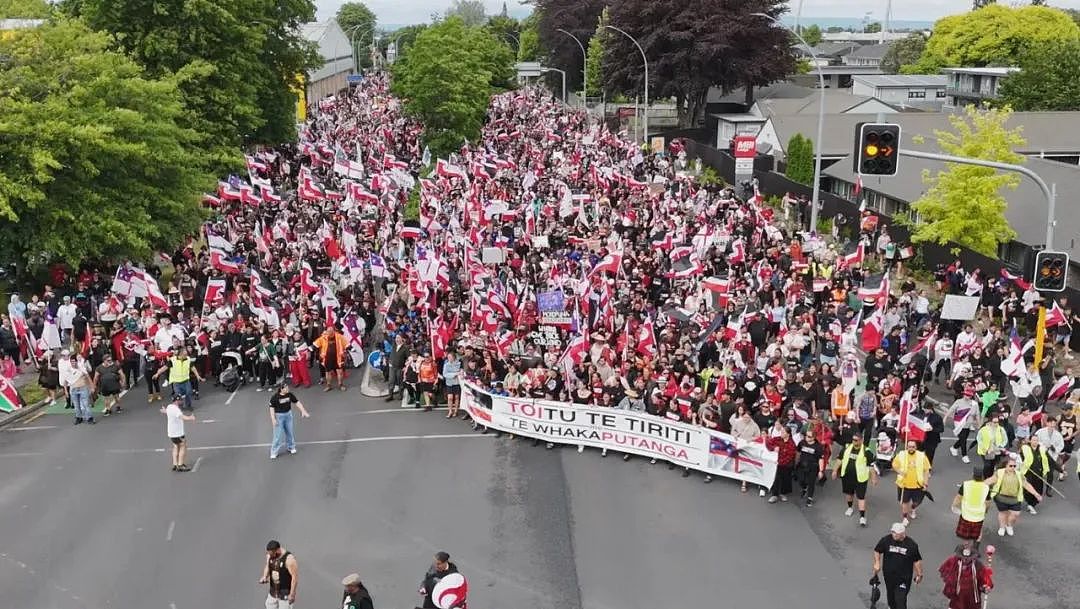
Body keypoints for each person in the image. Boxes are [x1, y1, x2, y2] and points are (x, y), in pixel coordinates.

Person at [871, 522, 923, 609]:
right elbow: (877, 550)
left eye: (896, 533)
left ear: (903, 533)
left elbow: (916, 560)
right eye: (893, 532)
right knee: (891, 598)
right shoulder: (886, 540)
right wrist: (877, 562)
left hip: (904, 578)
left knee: (900, 600)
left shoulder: (911, 545)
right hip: (889, 576)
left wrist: (919, 574)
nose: (893, 534)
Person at [986, 457, 1041, 537]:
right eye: (1010, 466)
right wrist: (979, 485)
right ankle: (1002, 527)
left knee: (1015, 514)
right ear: (1006, 465)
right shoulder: (999, 472)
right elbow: (991, 480)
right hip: (1001, 497)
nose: (1013, 468)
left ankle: (1009, 525)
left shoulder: (1019, 474)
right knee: (1003, 513)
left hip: (1015, 499)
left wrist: (1036, 494)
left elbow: (1026, 484)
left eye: (1014, 466)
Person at [834, 433, 879, 527]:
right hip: (847, 476)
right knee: (849, 494)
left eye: (856, 440)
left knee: (861, 497)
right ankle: (850, 507)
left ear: (861, 440)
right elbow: (839, 460)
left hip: (860, 478)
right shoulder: (847, 448)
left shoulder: (867, 451)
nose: (854, 442)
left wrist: (874, 478)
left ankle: (862, 517)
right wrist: (835, 471)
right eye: (853, 440)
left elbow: (871, 466)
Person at [938, 542, 992, 609]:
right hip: (958, 598)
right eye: (963, 557)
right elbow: (947, 572)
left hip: (972, 599)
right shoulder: (954, 562)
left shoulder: (978, 565)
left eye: (968, 558)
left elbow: (985, 579)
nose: (965, 559)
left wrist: (985, 587)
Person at [891, 439, 931, 526]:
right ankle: (905, 518)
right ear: (907, 446)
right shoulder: (901, 455)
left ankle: (913, 508)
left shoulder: (922, 456)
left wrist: (926, 483)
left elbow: (926, 471)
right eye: (909, 446)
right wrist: (900, 472)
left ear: (916, 447)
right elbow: (894, 465)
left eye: (913, 447)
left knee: (917, 502)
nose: (911, 448)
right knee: (904, 502)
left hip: (918, 484)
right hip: (904, 484)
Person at [1019, 434, 1061, 514]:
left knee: (1039, 490)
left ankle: (1033, 504)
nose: (1035, 442)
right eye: (1033, 440)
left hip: (1039, 473)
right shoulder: (1024, 449)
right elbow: (1019, 459)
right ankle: (1030, 504)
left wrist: (1060, 470)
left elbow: (1050, 460)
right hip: (1028, 473)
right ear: (1030, 440)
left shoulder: (1042, 449)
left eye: (1037, 440)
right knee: (1028, 489)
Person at [269, 382, 311, 460]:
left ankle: (291, 447)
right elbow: (271, 408)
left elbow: (297, 402)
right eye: (286, 388)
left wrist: (303, 411)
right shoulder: (275, 397)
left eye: (287, 387)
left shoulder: (289, 395)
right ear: (281, 389)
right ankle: (274, 452)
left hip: (288, 415)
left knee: (289, 432)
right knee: (277, 435)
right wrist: (273, 419)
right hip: (279, 417)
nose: (288, 389)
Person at [154, 346, 203, 410]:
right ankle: (180, 406)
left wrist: (197, 375)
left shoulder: (188, 359)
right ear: (181, 354)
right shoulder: (173, 360)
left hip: (186, 380)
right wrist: (157, 373)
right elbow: (165, 367)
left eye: (186, 354)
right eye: (185, 354)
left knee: (189, 392)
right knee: (178, 395)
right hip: (176, 382)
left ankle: (188, 405)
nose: (186, 355)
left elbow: (193, 368)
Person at [950, 468, 990, 543]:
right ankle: (976, 544)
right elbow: (987, 502)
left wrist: (954, 505)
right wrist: (986, 510)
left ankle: (966, 545)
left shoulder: (966, 484)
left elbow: (959, 497)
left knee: (966, 534)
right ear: (982, 477)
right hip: (979, 516)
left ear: (973, 475)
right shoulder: (986, 487)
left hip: (966, 515)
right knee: (978, 532)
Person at [260, 540, 299, 609]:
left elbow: (294, 577)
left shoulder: (289, 559)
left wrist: (292, 594)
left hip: (285, 593)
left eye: (272, 554)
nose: (270, 555)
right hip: (273, 591)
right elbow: (268, 566)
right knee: (269, 606)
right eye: (269, 553)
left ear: (277, 550)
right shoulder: (269, 555)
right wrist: (265, 576)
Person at [162, 396, 196, 472]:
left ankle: (175, 464)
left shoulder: (169, 407)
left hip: (171, 433)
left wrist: (165, 411)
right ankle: (180, 465)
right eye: (180, 400)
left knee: (175, 446)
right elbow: (182, 417)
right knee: (183, 446)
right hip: (177, 433)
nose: (182, 401)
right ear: (177, 401)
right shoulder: (176, 410)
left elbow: (167, 411)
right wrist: (190, 418)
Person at [795, 429, 826, 506]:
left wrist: (821, 471)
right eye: (806, 435)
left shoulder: (818, 446)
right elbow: (798, 453)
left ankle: (809, 498)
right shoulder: (802, 443)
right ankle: (804, 488)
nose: (806, 437)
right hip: (802, 465)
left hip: (813, 466)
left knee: (811, 482)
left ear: (813, 437)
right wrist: (796, 462)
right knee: (801, 480)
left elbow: (821, 459)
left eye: (809, 436)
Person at [63, 351, 96, 425]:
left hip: (83, 388)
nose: (73, 363)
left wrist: (92, 387)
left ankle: (89, 418)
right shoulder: (68, 370)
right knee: (76, 405)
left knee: (85, 404)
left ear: (77, 361)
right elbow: (65, 381)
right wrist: (66, 391)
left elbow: (88, 377)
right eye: (71, 362)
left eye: (74, 361)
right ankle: (79, 417)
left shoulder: (81, 369)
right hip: (73, 389)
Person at [314, 325, 348, 392]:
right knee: (328, 372)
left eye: (331, 330)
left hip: (338, 358)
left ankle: (341, 385)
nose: (330, 332)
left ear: (334, 331)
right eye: (328, 331)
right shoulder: (323, 337)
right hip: (327, 359)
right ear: (326, 331)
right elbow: (316, 344)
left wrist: (351, 348)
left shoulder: (339, 337)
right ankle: (328, 385)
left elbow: (346, 343)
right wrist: (310, 348)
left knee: (340, 372)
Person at [975, 413, 1008, 478]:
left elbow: (1005, 439)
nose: (996, 424)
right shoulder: (984, 429)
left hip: (996, 451)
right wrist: (984, 448)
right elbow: (979, 439)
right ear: (990, 422)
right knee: (987, 465)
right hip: (986, 451)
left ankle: (990, 477)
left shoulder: (1001, 429)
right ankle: (985, 478)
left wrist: (1001, 446)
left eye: (997, 422)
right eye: (994, 422)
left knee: (993, 465)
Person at [93, 352, 126, 416]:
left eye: (111, 360)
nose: (110, 361)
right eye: (108, 360)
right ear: (104, 360)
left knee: (116, 397)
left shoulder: (115, 366)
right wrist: (94, 385)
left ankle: (118, 406)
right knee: (106, 398)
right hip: (105, 386)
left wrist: (123, 382)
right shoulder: (99, 368)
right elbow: (96, 377)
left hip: (115, 385)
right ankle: (108, 409)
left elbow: (122, 374)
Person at [443, 350, 462, 419]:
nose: (449, 358)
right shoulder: (446, 365)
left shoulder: (459, 364)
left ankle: (456, 411)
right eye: (448, 357)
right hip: (449, 383)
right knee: (450, 397)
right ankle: (450, 411)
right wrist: (454, 374)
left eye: (450, 357)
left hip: (457, 383)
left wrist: (458, 373)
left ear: (454, 357)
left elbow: (460, 372)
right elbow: (445, 374)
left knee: (456, 397)